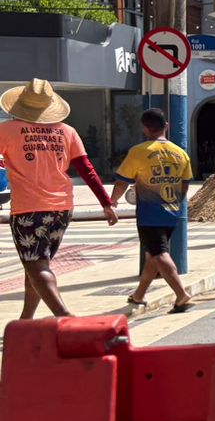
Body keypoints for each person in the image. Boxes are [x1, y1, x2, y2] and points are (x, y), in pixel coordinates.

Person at [0, 78, 118, 318]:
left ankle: (64, 316)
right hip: (62, 208)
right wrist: (106, 203)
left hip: (28, 209)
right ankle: (26, 319)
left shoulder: (7, 130)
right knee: (36, 264)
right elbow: (87, 169)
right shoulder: (67, 131)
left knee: (36, 265)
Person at [111, 108, 194, 311]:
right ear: (167, 126)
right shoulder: (180, 153)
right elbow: (185, 184)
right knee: (153, 254)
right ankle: (139, 295)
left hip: (150, 215)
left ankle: (181, 294)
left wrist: (111, 202)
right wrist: (175, 202)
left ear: (144, 128)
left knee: (159, 254)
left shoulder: (139, 152)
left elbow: (122, 182)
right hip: (172, 212)